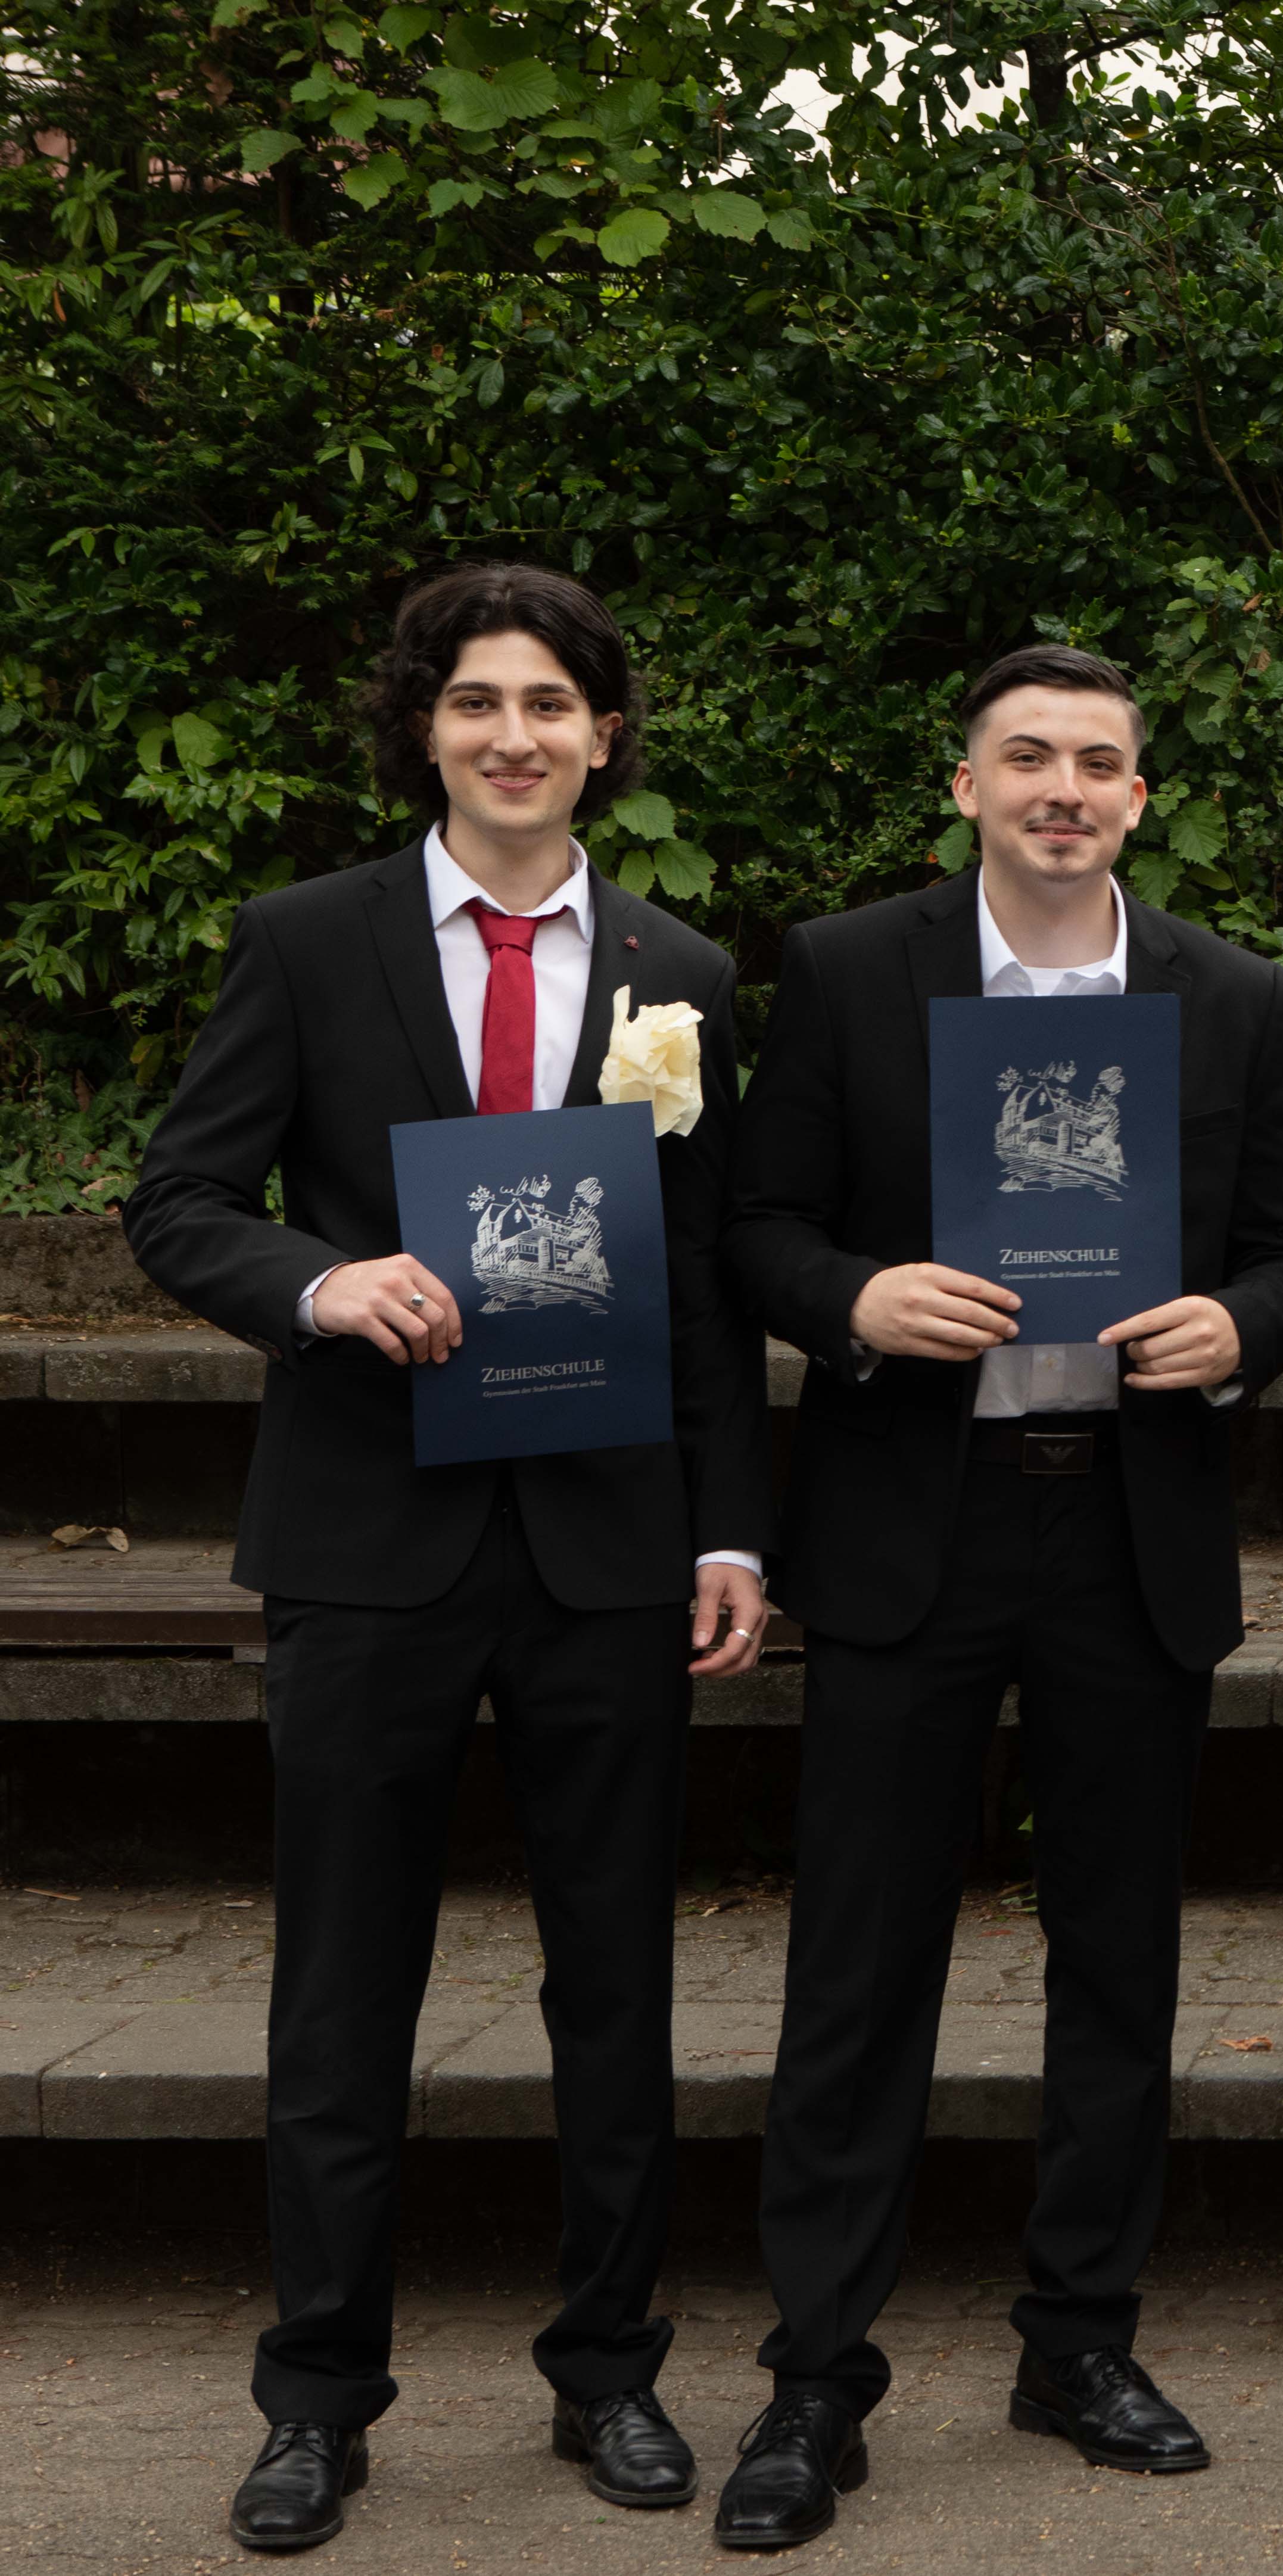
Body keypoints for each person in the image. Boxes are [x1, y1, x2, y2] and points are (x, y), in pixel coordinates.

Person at [125, 563, 772, 2552]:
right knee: (342, 1992)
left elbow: (704, 1282)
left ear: (603, 735)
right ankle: (317, 2400)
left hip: (605, 1549)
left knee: (617, 1989)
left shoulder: (680, 970)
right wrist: (320, 1286)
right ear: (426, 725)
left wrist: (730, 1524)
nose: (515, 736)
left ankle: (613, 2373)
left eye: (551, 704)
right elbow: (180, 1200)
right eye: (479, 701)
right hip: (369, 1541)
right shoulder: (305, 941)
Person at [709, 644, 1283, 2547]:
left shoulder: (1230, 993)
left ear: (1140, 797)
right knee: (859, 1967)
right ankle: (818, 2376)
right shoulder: (850, 971)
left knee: (1119, 1963)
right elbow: (753, 1225)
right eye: (1029, 757)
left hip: (1127, 1529)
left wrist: (1239, 1328)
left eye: (1100, 762)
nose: (1065, 787)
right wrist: (855, 1298)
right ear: (968, 785)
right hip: (915, 1522)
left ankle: (1080, 2342)